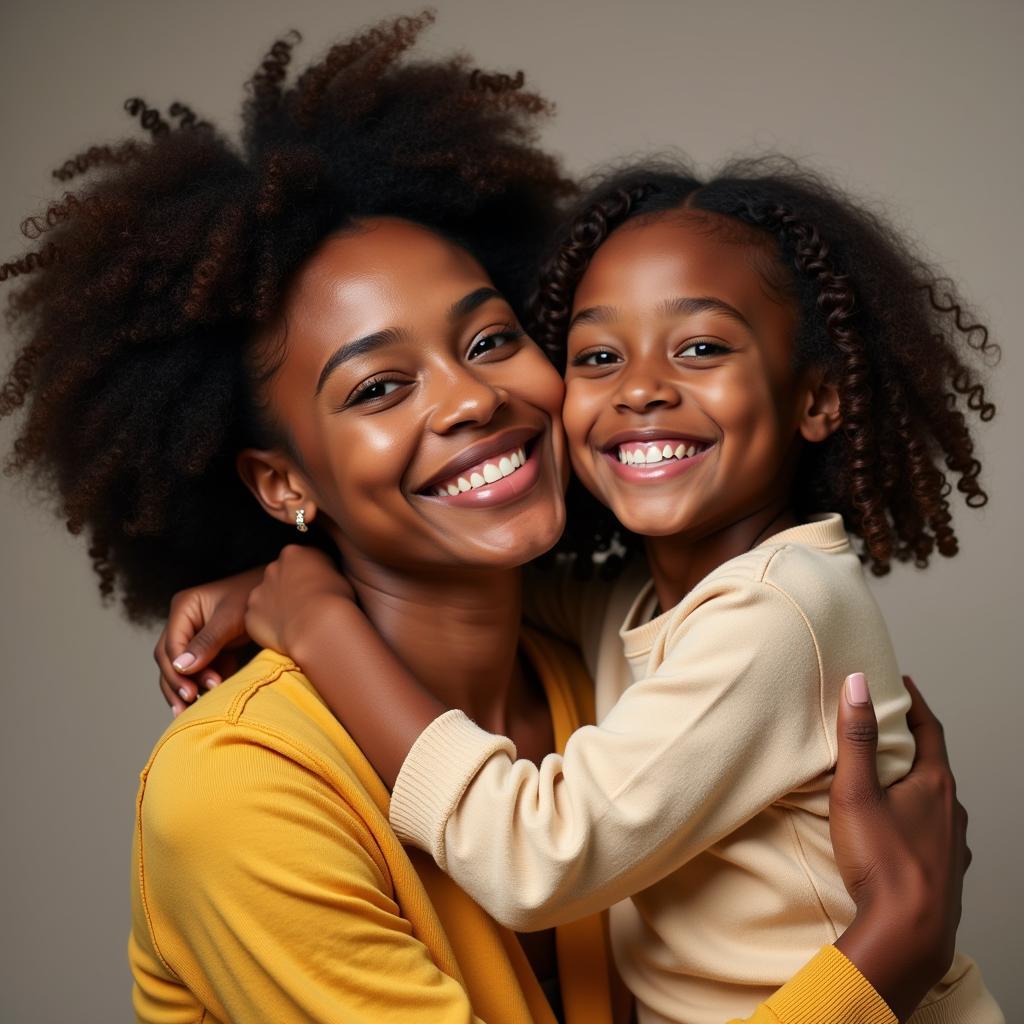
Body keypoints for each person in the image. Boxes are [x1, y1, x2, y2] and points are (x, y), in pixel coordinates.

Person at [1, 14, 972, 1024]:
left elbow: (569, 745)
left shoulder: (589, 682)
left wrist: (301, 601)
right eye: (379, 387)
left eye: (491, 337)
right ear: (283, 484)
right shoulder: (238, 790)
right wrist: (880, 962)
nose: (467, 400)